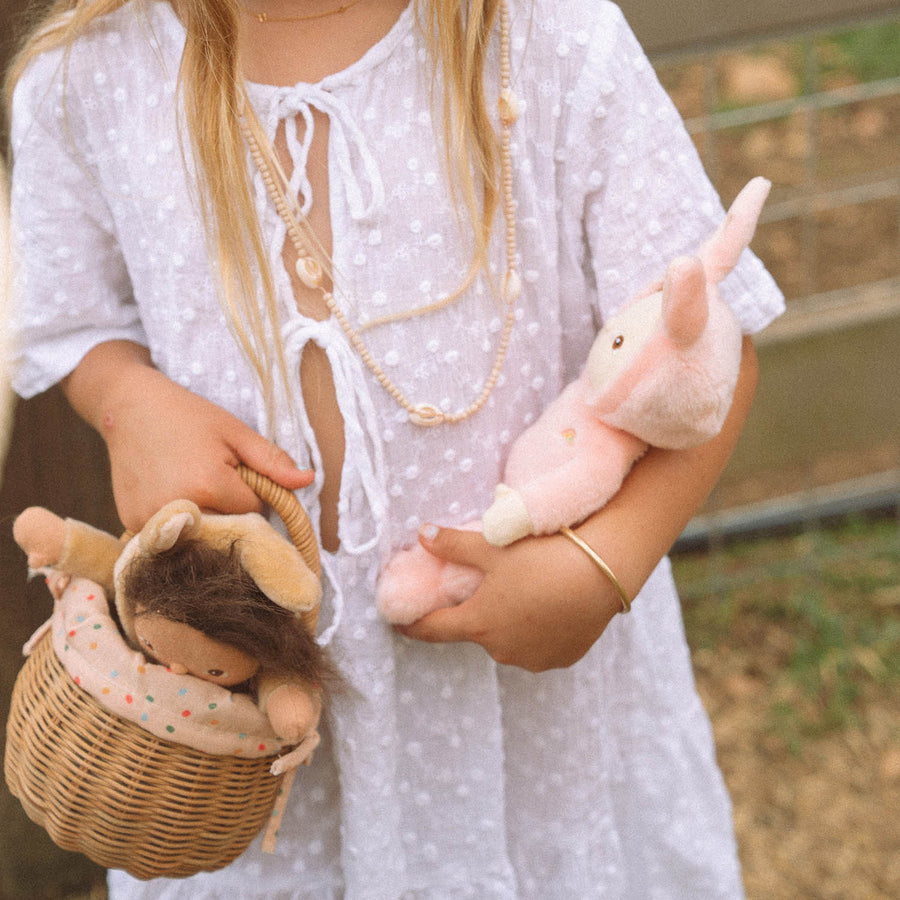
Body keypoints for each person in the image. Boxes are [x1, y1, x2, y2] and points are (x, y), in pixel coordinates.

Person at [7, 0, 784, 896]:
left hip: (538, 734)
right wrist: (123, 401)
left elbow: (707, 357)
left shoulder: (545, 38)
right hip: (263, 733)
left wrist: (603, 563)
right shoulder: (85, 74)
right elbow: (74, 326)